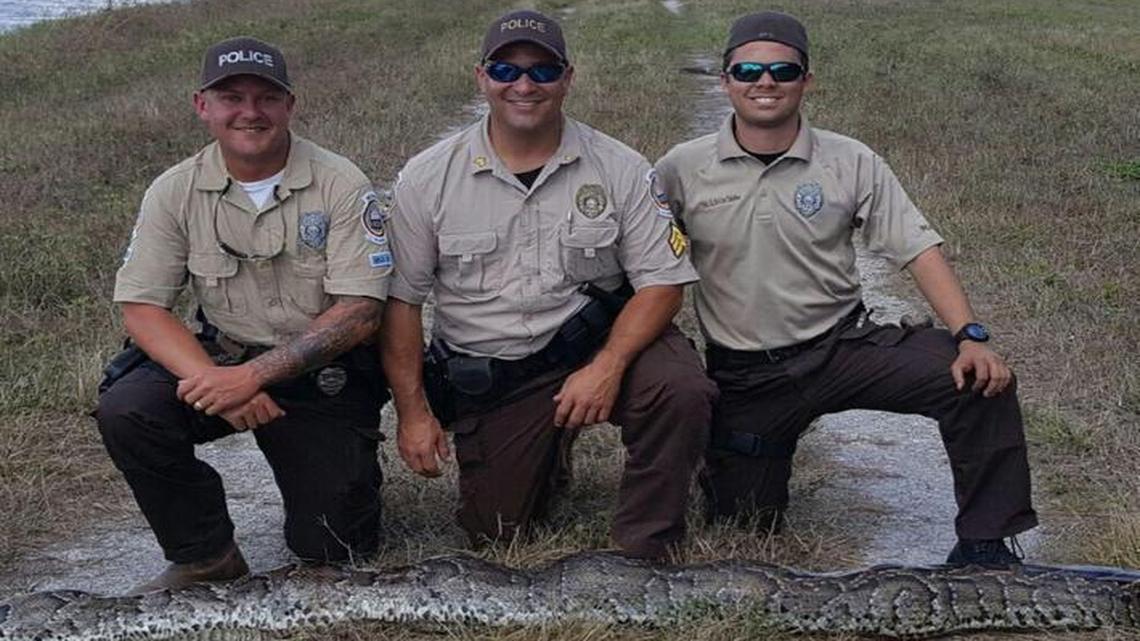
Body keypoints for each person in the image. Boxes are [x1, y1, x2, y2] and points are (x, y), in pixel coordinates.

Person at [655, 11, 1038, 565]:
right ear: (726, 81)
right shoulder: (681, 167)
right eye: (749, 70)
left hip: (843, 348)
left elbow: (917, 248)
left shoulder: (849, 158)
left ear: (806, 80)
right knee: (745, 523)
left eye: (784, 71)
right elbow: (647, 262)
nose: (766, 82)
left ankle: (986, 541)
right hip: (747, 374)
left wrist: (971, 334)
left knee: (977, 381)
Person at [380, 10, 716, 560]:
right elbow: (401, 304)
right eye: (506, 70)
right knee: (495, 534)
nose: (524, 85)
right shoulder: (426, 177)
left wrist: (606, 369)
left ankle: (646, 547)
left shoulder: (620, 167)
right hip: (501, 372)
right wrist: (413, 413)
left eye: (543, 70)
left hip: (598, 345)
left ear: (567, 77)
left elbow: (662, 283)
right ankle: (545, 451)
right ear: (481, 77)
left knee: (679, 389)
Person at [96, 36, 393, 593]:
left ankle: (348, 482)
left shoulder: (340, 184)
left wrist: (255, 377)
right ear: (202, 105)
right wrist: (213, 379)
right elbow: (141, 306)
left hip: (320, 377)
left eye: (266, 97)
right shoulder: (174, 190)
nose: (250, 112)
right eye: (231, 97)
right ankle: (204, 555)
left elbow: (360, 312)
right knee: (129, 409)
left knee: (333, 551)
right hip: (224, 360)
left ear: (290, 105)